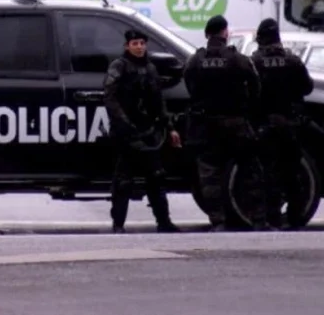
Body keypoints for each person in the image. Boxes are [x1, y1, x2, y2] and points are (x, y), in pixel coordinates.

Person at [184, 15, 268, 231]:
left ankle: (218, 221)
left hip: (206, 123)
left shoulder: (196, 60)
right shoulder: (237, 59)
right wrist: (246, 109)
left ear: (206, 35)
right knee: (250, 170)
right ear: (225, 33)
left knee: (209, 174)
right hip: (236, 123)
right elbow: (255, 86)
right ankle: (259, 219)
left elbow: (189, 85)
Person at [102, 29, 180, 234]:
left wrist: (169, 127)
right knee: (123, 181)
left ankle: (164, 222)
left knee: (156, 177)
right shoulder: (119, 67)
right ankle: (118, 225)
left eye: (141, 43)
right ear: (127, 46)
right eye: (134, 43)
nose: (139, 47)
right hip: (126, 134)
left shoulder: (151, 69)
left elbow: (158, 102)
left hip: (149, 131)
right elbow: (110, 97)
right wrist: (124, 124)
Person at [250, 18, 314, 229]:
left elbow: (248, 93)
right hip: (290, 125)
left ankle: (272, 218)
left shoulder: (255, 61)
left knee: (268, 173)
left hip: (265, 125)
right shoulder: (293, 61)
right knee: (292, 172)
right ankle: (295, 217)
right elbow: (307, 88)